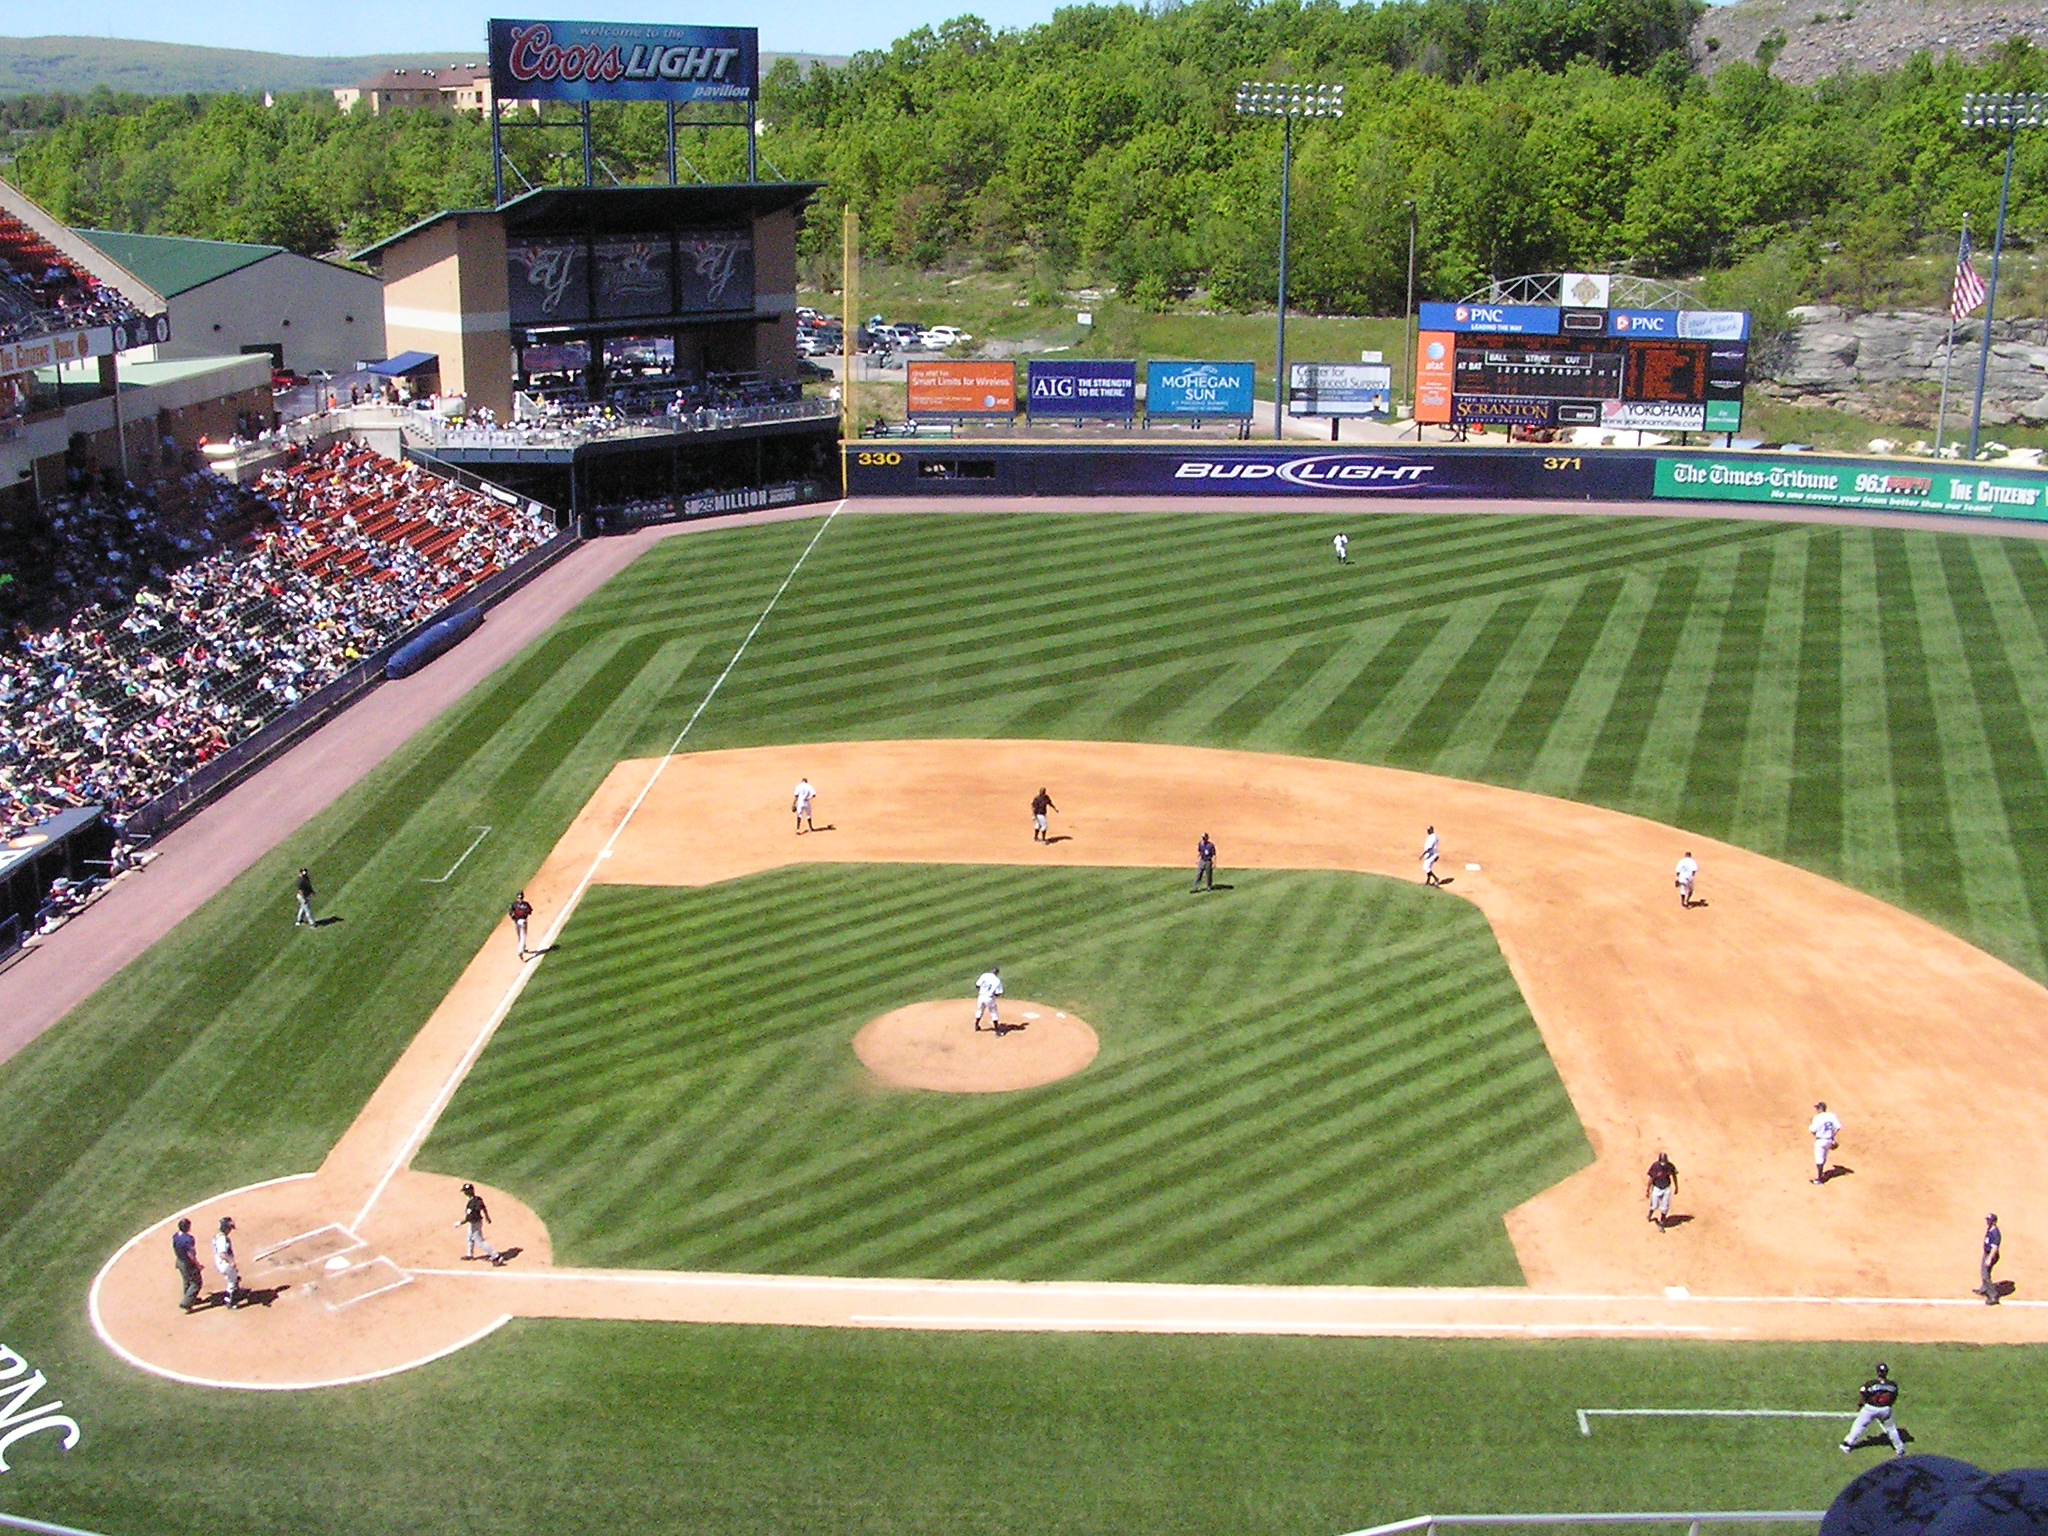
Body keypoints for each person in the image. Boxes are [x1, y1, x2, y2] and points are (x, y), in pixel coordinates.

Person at [1840, 1363, 1907, 1455]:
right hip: (1885, 1409)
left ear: (1878, 1372)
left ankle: (1847, 1444)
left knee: (1858, 1426)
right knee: (1891, 1429)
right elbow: (1894, 1397)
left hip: (1870, 1409)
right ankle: (1900, 1448)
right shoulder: (1893, 1385)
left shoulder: (1871, 1384)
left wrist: (1860, 1406)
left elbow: (1863, 1395)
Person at [459, 1183, 500, 1264]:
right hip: (477, 1221)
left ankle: (496, 1256)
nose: (464, 1193)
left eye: (466, 1191)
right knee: (469, 1237)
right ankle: (469, 1254)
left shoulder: (472, 1204)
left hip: (475, 1223)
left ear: (469, 1191)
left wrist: (460, 1223)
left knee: (480, 1242)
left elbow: (470, 1217)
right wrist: (487, 1217)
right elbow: (483, 1207)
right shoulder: (478, 1199)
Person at [172, 1217, 203, 1313]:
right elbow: (191, 1255)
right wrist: (198, 1265)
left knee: (187, 1281)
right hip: (188, 1264)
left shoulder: (175, 1236)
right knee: (196, 1283)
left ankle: (190, 1298)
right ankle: (186, 1303)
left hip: (179, 1261)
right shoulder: (189, 1239)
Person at [1809, 1101, 1842, 1185]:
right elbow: (1838, 1127)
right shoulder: (1831, 1115)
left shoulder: (1817, 1118)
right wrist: (1832, 1136)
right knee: (1823, 1157)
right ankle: (1821, 1174)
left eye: (1817, 1108)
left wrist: (1818, 1135)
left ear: (1820, 1109)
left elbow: (1812, 1130)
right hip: (1829, 1140)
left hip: (1820, 1140)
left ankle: (1819, 1179)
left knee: (1819, 1159)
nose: (1816, 1110)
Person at [213, 1216, 242, 1309]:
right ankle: (230, 1302)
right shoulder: (222, 1239)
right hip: (225, 1264)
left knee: (235, 1279)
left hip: (221, 1263)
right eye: (229, 1228)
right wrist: (231, 1262)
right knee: (232, 1283)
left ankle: (233, 1296)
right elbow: (222, 1254)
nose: (230, 1230)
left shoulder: (218, 1236)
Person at [1645, 1151, 1678, 1231]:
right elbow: (1651, 1179)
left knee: (1665, 1207)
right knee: (1655, 1205)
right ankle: (1651, 1212)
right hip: (1657, 1188)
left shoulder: (1670, 1166)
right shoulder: (1655, 1166)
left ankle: (1661, 1223)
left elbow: (1674, 1175)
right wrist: (1647, 1190)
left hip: (1666, 1188)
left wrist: (1676, 1187)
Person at [1978, 1213, 2002, 1304]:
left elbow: (1995, 1248)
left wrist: (1989, 1259)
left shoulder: (1995, 1233)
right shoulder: (1990, 1229)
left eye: (1990, 1220)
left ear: (1994, 1222)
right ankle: (1984, 1288)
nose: (1987, 1222)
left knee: (1985, 1274)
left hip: (1991, 1255)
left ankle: (1993, 1296)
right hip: (1987, 1254)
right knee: (1985, 1272)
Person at [973, 967, 1004, 1033]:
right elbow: (998, 992)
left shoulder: (984, 975)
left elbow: (977, 985)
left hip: (981, 997)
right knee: (993, 1013)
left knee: (980, 1010)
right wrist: (993, 996)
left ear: (991, 971)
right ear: (997, 973)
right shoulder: (997, 980)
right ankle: (997, 1031)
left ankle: (976, 1025)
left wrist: (982, 992)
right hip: (989, 998)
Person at [509, 891, 533, 959]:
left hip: (516, 922)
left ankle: (522, 948)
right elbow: (530, 911)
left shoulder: (514, 904)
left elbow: (510, 912)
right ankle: (521, 951)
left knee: (519, 936)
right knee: (523, 936)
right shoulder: (526, 904)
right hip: (522, 921)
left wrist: (513, 916)